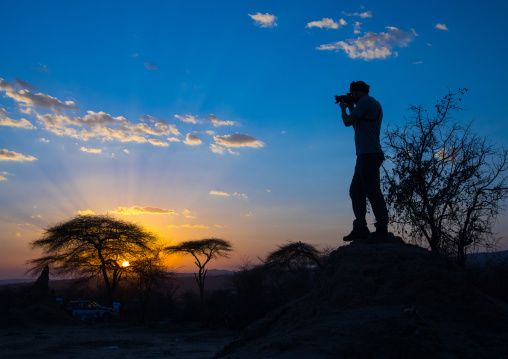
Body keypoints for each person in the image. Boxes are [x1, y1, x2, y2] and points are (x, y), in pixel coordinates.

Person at [339, 81, 389, 241]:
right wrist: (352, 107)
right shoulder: (372, 103)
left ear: (357, 91)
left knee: (372, 191)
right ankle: (360, 227)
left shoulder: (366, 102)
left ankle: (381, 228)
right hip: (365, 155)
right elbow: (356, 126)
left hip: (369, 154)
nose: (350, 96)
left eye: (351, 93)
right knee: (356, 191)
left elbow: (347, 123)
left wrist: (343, 109)